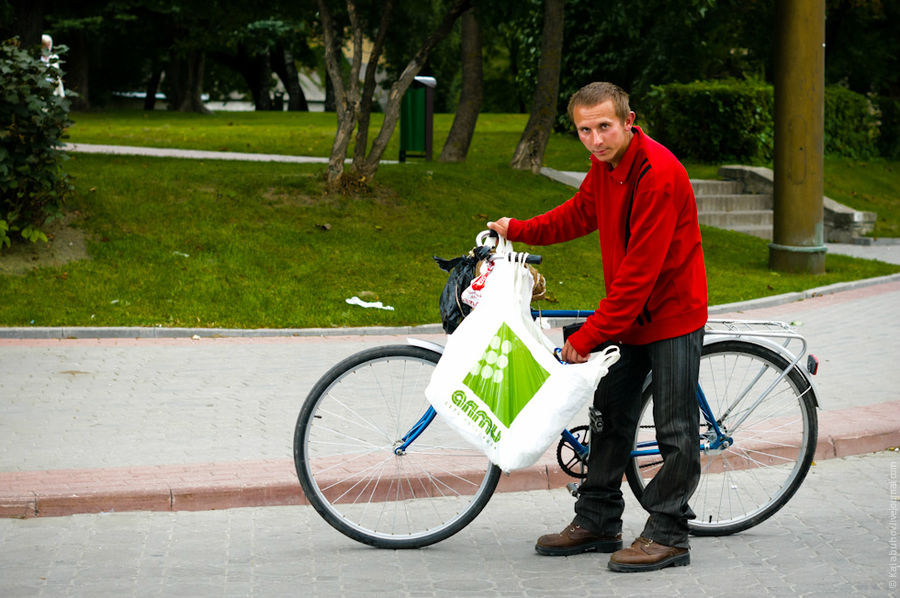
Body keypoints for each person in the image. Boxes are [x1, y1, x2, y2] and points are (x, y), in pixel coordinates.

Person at [487, 82, 708, 573]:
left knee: (675, 428)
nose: (594, 140)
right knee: (609, 419)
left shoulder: (658, 175)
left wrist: (586, 339)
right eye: (584, 130)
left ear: (629, 121)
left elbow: (638, 278)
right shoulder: (605, 167)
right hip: (630, 314)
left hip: (670, 312)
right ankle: (598, 520)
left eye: (604, 127)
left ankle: (670, 533)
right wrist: (519, 228)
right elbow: (579, 214)